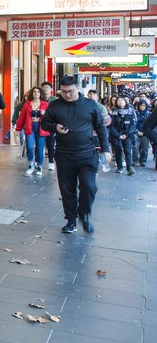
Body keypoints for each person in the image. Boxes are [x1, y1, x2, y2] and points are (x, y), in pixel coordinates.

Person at [41, 75, 111, 234]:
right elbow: (45, 123)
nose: (67, 95)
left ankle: (84, 215)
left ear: (78, 88)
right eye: (64, 92)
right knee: (67, 190)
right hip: (64, 155)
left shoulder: (90, 105)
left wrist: (106, 149)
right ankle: (71, 220)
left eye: (71, 91)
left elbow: (101, 127)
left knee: (89, 186)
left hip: (87, 154)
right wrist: (55, 127)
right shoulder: (55, 105)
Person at [15, 87, 50, 176]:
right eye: (34, 92)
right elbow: (21, 117)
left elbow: (51, 117)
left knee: (39, 148)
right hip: (30, 127)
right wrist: (18, 129)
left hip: (41, 128)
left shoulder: (45, 104)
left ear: (41, 93)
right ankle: (31, 164)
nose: (36, 93)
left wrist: (44, 114)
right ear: (32, 93)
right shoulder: (27, 104)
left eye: (38, 92)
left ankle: (39, 166)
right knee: (30, 147)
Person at [109, 96, 137, 175]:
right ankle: (119, 167)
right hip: (116, 134)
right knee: (118, 151)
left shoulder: (131, 111)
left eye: (122, 100)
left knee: (127, 151)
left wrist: (126, 134)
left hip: (127, 134)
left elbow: (133, 124)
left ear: (125, 101)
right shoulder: (112, 111)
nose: (120, 102)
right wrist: (118, 135)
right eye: (118, 100)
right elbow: (111, 126)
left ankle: (129, 168)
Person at [40, 81, 58, 170]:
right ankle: (38, 162)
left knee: (50, 144)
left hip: (51, 125)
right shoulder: (38, 99)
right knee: (40, 145)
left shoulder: (55, 100)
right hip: (39, 125)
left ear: (51, 89)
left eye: (47, 87)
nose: (45, 89)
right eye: (44, 87)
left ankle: (51, 161)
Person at [134, 100, 150, 166]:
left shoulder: (149, 114)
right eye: (140, 105)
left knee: (145, 148)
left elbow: (150, 125)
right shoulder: (135, 113)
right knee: (135, 147)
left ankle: (143, 161)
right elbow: (133, 124)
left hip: (145, 133)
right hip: (136, 132)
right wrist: (137, 131)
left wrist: (144, 132)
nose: (142, 107)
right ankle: (135, 160)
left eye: (143, 105)